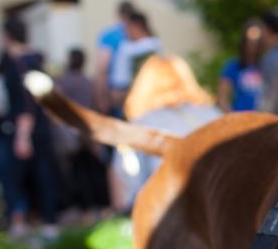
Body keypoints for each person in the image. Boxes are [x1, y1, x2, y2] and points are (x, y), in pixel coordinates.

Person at [0, 18, 60, 240]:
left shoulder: (18, 64)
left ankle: (23, 224)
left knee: (19, 180)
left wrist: (22, 136)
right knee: (43, 178)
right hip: (39, 130)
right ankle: (48, 224)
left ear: (7, 35)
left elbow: (26, 104)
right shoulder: (36, 60)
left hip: (23, 132)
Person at [113, 54, 221, 208]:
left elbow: (127, 184)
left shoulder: (140, 126)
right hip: (218, 204)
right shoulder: (214, 115)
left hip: (168, 209)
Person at [54, 48, 110, 221]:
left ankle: (84, 207)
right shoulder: (88, 82)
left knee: (78, 172)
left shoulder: (64, 82)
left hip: (72, 132)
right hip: (88, 131)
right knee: (94, 170)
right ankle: (100, 206)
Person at [109, 11, 163, 110]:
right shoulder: (129, 45)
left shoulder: (149, 48)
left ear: (137, 25)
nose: (126, 31)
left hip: (137, 98)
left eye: (128, 27)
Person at [95, 0, 135, 116]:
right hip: (138, 92)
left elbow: (103, 67)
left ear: (118, 13)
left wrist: (101, 96)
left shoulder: (109, 35)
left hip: (116, 93)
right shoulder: (140, 34)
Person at [217, 20, 264, 112]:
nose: (252, 46)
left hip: (263, 117)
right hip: (240, 116)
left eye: (256, 43)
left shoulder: (268, 66)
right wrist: (230, 115)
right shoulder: (233, 65)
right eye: (249, 42)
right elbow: (222, 97)